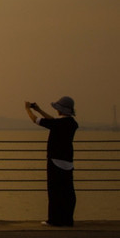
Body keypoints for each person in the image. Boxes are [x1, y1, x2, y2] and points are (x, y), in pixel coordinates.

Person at [25, 96, 78, 227]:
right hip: (68, 162)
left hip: (55, 161)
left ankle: (54, 219)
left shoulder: (58, 124)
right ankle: (67, 219)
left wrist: (28, 110)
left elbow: (35, 120)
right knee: (68, 192)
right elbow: (52, 121)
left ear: (61, 109)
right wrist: (39, 109)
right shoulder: (71, 124)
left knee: (54, 192)